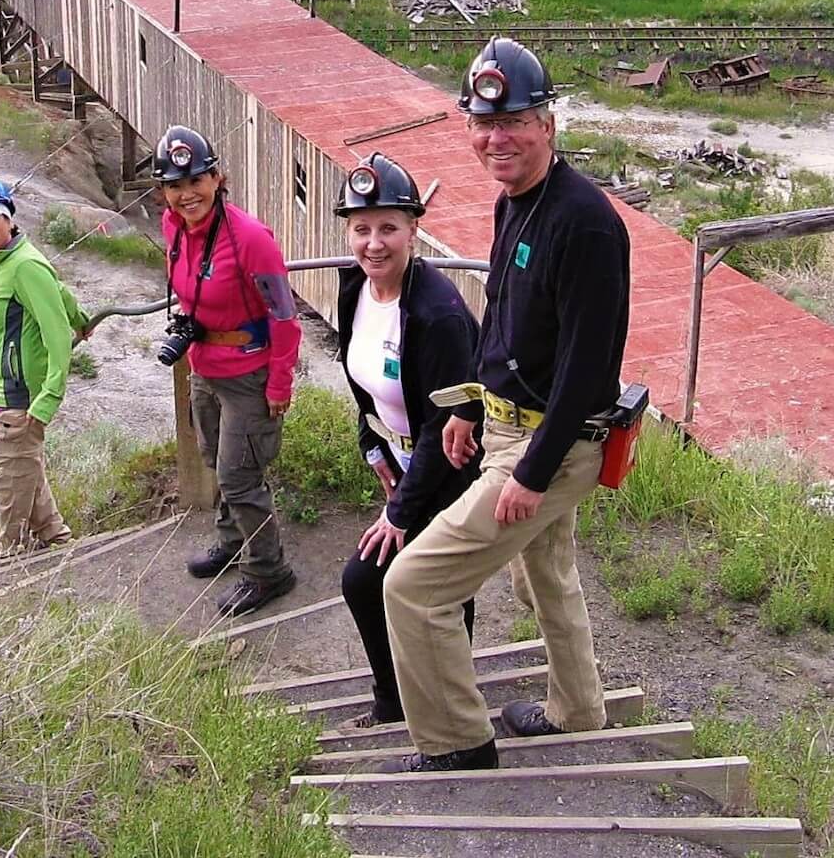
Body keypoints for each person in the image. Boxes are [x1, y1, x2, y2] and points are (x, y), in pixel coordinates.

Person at [383, 37, 631, 772]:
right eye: (484, 124)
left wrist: (530, 473)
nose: (498, 138)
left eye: (515, 120)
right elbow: (504, 321)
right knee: (546, 572)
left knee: (415, 585)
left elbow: (589, 369)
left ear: (547, 123)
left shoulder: (584, 223)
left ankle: (458, 740)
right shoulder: (515, 203)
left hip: (548, 448)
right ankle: (578, 709)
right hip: (507, 427)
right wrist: (468, 404)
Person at [334, 152, 481, 728]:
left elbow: (443, 429)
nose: (375, 243)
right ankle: (409, 696)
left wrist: (399, 511)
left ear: (414, 231)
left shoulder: (436, 314)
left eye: (389, 228)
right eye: (362, 228)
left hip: (449, 465)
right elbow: (361, 381)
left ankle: (427, 706)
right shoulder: (355, 291)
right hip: (400, 455)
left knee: (373, 579)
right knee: (417, 585)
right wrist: (371, 446)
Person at [156, 125, 300, 617]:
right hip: (205, 366)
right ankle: (231, 539)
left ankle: (269, 571)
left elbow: (284, 315)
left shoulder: (251, 238)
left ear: (218, 178)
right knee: (218, 458)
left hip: (250, 374)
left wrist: (280, 383)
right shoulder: (173, 227)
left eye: (196, 180)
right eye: (175, 185)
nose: (186, 193)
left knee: (240, 476)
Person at [0, 173, 90, 555]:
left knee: (4, 496)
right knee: (31, 495)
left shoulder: (22, 266)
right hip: (3, 401)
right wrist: (79, 316)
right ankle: (62, 549)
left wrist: (47, 401)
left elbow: (55, 339)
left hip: (18, 409)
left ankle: (9, 575)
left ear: (10, 218)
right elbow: (59, 291)